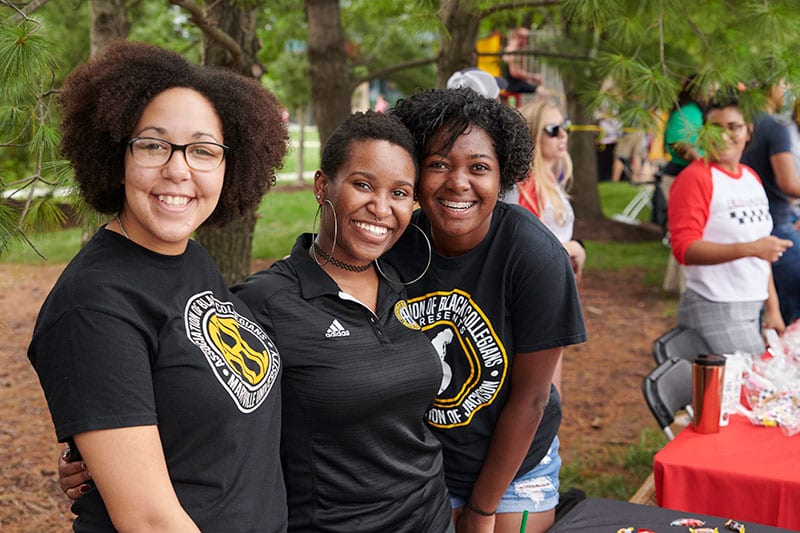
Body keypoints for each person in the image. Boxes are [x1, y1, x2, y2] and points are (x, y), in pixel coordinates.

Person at [27, 40, 288, 531]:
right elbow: (150, 521)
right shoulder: (94, 305)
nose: (178, 169)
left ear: (230, 166)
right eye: (152, 144)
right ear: (115, 155)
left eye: (203, 150)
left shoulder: (188, 259)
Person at [233, 111, 453, 532]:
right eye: (363, 185)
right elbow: (206, 417)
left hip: (432, 517)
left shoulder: (404, 283)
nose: (381, 208)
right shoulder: (265, 303)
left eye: (400, 193)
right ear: (323, 187)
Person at [390, 88, 587, 533]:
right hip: (420, 465)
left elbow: (533, 398)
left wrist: (482, 508)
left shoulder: (533, 254)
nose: (458, 182)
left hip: (514, 470)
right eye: (438, 164)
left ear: (504, 178)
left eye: (479, 167)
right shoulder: (395, 245)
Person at [668, 94, 792, 356]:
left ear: (749, 130)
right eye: (715, 128)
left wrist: (773, 309)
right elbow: (684, 249)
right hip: (714, 305)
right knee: (751, 386)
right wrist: (751, 248)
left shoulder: (750, 177)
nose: (723, 136)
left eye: (733, 127)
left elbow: (763, 252)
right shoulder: (696, 178)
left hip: (752, 307)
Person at [741, 80, 800, 325]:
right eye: (785, 83)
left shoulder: (742, 120)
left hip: (749, 222)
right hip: (776, 222)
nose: (787, 91)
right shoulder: (775, 125)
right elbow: (789, 184)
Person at [517, 99, 586, 283]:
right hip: (537, 284)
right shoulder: (527, 184)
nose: (563, 134)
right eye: (553, 130)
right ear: (533, 135)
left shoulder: (548, 180)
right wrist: (574, 248)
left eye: (565, 126)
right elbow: (527, 249)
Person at [501, 27, 547, 98]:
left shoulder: (514, 49)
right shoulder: (513, 50)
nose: (525, 40)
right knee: (543, 92)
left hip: (511, 83)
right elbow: (514, 73)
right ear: (516, 36)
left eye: (527, 38)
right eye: (523, 37)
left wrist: (528, 79)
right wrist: (533, 77)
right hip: (511, 86)